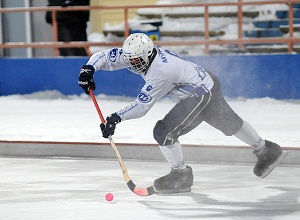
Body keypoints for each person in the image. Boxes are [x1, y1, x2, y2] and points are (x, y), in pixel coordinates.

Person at [78, 33, 287, 194]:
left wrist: (115, 118)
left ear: (148, 55)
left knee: (163, 132)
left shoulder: (160, 71)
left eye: (136, 61)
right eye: (130, 60)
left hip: (200, 94)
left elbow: (142, 106)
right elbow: (106, 56)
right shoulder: (139, 54)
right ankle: (267, 150)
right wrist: (89, 68)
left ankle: (181, 175)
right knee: (230, 123)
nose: (132, 64)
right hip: (207, 81)